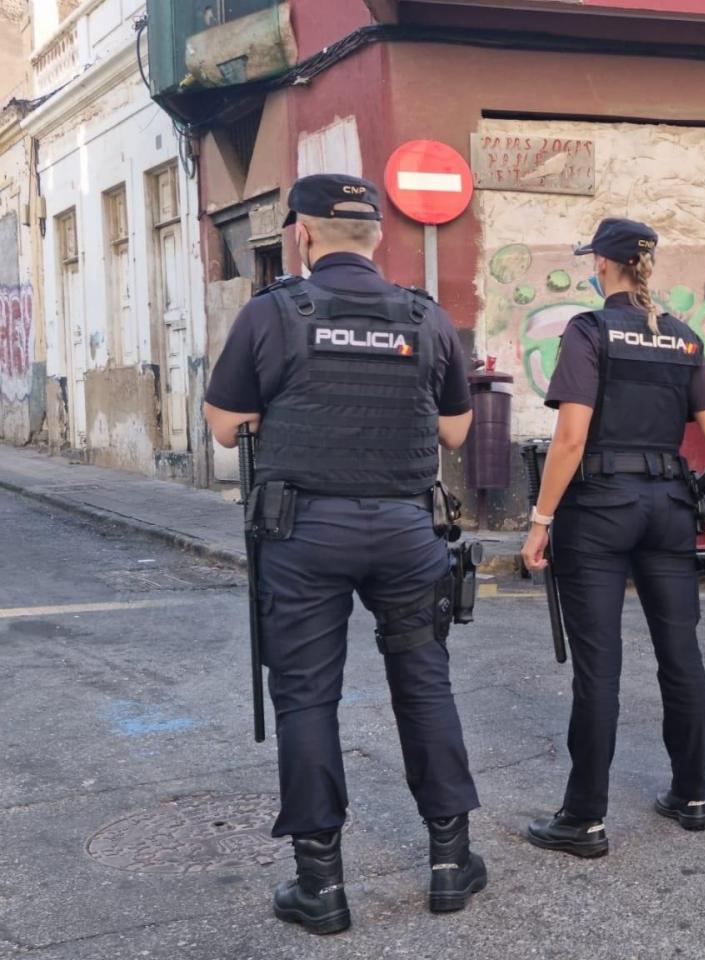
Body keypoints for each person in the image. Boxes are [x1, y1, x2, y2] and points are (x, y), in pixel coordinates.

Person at [202, 174, 486, 935]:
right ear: (376, 238)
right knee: (424, 687)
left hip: (305, 534)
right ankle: (451, 862)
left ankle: (320, 886)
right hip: (406, 529)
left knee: (307, 698)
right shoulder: (426, 318)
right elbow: (456, 433)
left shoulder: (273, 314)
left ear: (303, 234)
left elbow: (226, 425)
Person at [521, 218, 705, 858]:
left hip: (598, 510)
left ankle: (584, 818)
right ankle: (692, 794)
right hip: (672, 506)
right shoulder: (682, 339)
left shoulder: (588, 331)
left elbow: (570, 437)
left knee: (601, 668)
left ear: (604, 266)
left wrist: (540, 521)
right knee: (681, 653)